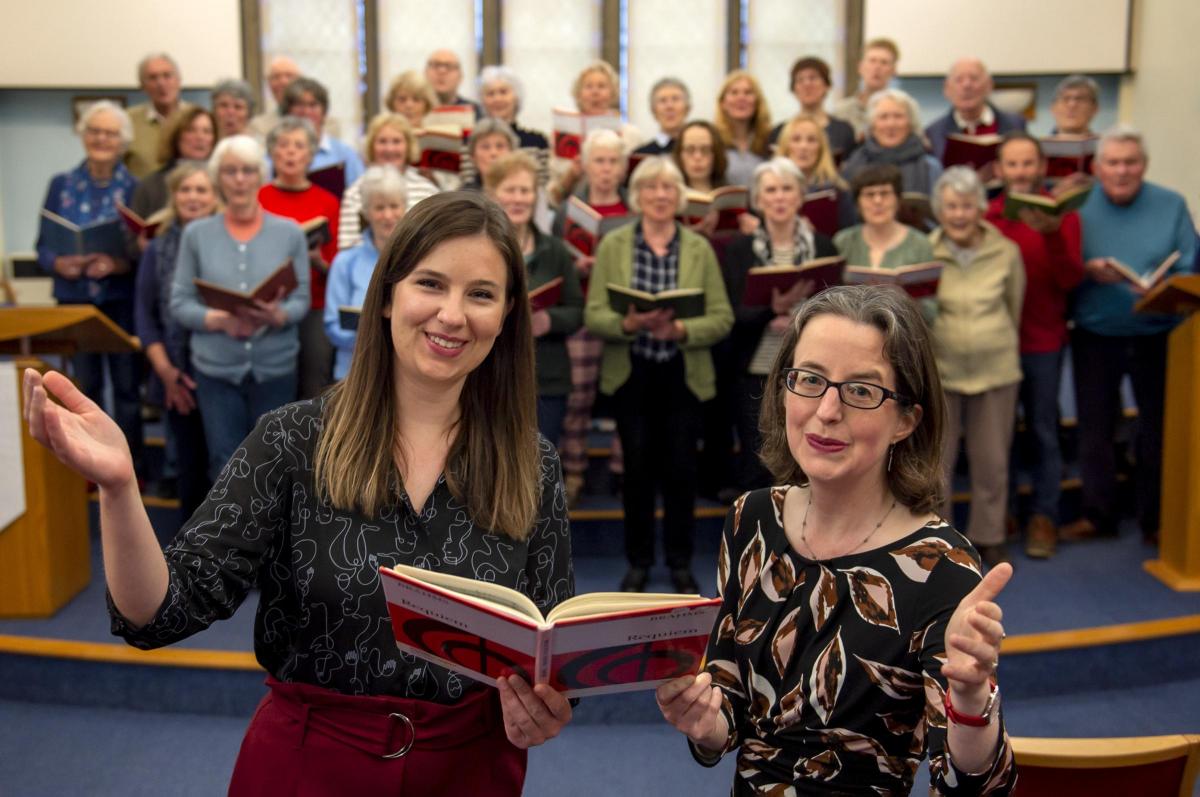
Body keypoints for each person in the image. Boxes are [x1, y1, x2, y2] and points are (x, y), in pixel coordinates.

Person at [23, 192, 573, 795]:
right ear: (388, 296)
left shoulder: (532, 464)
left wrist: (543, 709)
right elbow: (159, 612)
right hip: (309, 766)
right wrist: (120, 487)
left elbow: (545, 653)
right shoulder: (293, 439)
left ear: (508, 313)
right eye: (431, 284)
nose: (452, 314)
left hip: (470, 773)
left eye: (481, 294)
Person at [655, 285, 1017, 795]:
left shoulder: (941, 566)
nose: (826, 411)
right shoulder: (752, 517)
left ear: (906, 420)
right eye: (809, 380)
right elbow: (731, 707)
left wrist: (972, 700)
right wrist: (705, 719)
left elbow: (972, 787)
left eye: (862, 391)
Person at [585, 156, 734, 594]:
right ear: (638, 196)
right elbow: (595, 313)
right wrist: (627, 324)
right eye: (650, 188)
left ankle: (680, 562)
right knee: (636, 473)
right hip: (633, 373)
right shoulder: (613, 246)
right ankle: (639, 562)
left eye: (668, 188)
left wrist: (682, 329)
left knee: (682, 472)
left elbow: (722, 317)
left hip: (683, 375)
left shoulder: (699, 248)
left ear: (679, 195)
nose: (659, 195)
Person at [1064, 126, 1196, 545]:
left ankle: (1155, 519)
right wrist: (1086, 270)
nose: (1122, 171)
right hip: (1096, 333)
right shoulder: (1078, 206)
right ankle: (1098, 514)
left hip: (1159, 333)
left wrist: (1163, 285)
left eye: (1131, 162)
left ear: (1145, 166)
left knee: (1159, 429)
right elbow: (1063, 264)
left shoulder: (1172, 204)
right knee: (1095, 428)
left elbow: (1190, 267)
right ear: (1097, 167)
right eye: (1114, 163)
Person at [168, 135, 310, 480]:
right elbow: (180, 302)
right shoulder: (197, 235)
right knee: (224, 462)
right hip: (217, 370)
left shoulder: (289, 232)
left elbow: (302, 299)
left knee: (275, 463)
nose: (240, 179)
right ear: (219, 178)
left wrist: (279, 315)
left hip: (275, 367)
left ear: (261, 176)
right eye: (230, 171)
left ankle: (273, 535)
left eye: (248, 170)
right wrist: (218, 320)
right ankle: (231, 535)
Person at [987, 133, 1084, 558]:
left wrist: (1053, 235)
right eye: (1013, 164)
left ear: (1042, 167)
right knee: (999, 435)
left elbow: (1069, 281)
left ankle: (1044, 516)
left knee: (1044, 430)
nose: (1021, 172)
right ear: (999, 170)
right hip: (998, 343)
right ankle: (1001, 513)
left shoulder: (1064, 217)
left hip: (1044, 342)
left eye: (1029, 164)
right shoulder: (988, 217)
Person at [36, 100, 143, 478]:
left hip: (119, 301)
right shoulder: (60, 184)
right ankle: (84, 465)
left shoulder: (135, 188)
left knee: (128, 390)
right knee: (84, 386)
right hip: (74, 302)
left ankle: (130, 466)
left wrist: (118, 263)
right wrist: (58, 263)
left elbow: (143, 250)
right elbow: (42, 246)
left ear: (122, 141)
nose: (101, 139)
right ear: (83, 136)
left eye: (110, 133)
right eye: (94, 131)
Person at [722, 157, 838, 494]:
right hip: (755, 370)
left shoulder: (823, 247)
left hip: (810, 372)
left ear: (800, 196)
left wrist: (798, 317)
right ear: (758, 200)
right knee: (758, 463)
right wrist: (770, 310)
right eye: (770, 190)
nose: (779, 197)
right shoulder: (740, 249)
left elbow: (835, 311)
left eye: (787, 189)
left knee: (806, 465)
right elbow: (733, 314)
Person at [929, 166, 1025, 567]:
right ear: (940, 209)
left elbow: (1014, 306)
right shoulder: (927, 249)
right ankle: (940, 538)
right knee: (938, 461)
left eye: (967, 205)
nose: (959, 213)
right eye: (951, 205)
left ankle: (990, 535)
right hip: (942, 370)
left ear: (981, 208)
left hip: (995, 368)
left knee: (992, 460)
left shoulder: (1006, 251)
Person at [133, 163, 219, 520]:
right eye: (185, 190)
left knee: (225, 465)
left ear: (215, 197)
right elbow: (144, 316)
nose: (193, 197)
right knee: (189, 467)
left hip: (220, 371)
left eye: (201, 190)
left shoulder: (228, 242)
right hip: (175, 374)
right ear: (173, 196)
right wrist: (167, 373)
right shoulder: (158, 249)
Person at [552, 128, 631, 506]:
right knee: (578, 400)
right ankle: (575, 472)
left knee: (625, 394)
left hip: (621, 315)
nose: (605, 168)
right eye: (598, 160)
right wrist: (576, 266)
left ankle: (621, 471)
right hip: (582, 315)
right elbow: (555, 261)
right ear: (584, 165)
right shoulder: (568, 211)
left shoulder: (634, 211)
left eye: (613, 161)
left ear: (623, 166)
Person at [486, 152, 584, 446]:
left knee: (541, 469)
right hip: (491, 375)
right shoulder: (481, 248)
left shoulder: (554, 249)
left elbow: (577, 311)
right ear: (493, 194)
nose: (518, 198)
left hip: (547, 378)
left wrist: (548, 320)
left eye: (525, 190)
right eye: (510, 190)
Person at [258, 117, 342, 400]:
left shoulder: (328, 201)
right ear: (271, 152)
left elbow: (336, 267)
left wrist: (317, 260)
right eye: (283, 145)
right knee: (273, 390)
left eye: (299, 146)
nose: (291, 152)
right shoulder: (259, 198)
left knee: (314, 386)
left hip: (315, 304)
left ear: (310, 155)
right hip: (269, 302)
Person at [324, 165, 405, 381]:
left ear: (405, 208)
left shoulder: (418, 260)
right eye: (379, 208)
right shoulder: (345, 262)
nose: (388, 215)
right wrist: (374, 336)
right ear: (367, 213)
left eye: (394, 206)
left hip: (403, 377)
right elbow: (332, 326)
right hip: (353, 375)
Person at [337, 113, 439, 250]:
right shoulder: (355, 192)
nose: (389, 149)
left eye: (396, 141)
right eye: (382, 141)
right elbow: (347, 247)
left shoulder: (428, 190)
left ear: (408, 146)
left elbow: (437, 241)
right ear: (371, 146)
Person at [549, 61, 643, 206]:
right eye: (589, 87)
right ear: (578, 94)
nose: (595, 92)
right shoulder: (561, 136)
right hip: (573, 207)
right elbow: (553, 196)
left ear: (612, 93)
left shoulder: (631, 135)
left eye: (601, 86)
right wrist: (571, 175)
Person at [840, 88, 943, 213]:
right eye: (883, 117)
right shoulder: (853, 166)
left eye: (898, 116)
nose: (891, 124)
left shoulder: (930, 167)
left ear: (910, 123)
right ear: (872, 125)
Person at [924, 58, 1026, 162]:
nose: (966, 85)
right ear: (947, 89)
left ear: (989, 85)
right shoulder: (934, 133)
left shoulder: (1015, 125)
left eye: (974, 79)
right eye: (959, 80)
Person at [834, 164, 935, 269]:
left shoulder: (920, 244)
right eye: (869, 194)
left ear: (898, 199)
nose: (877, 201)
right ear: (858, 203)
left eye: (885, 193)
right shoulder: (843, 242)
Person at [129, 106, 217, 220]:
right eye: (191, 130)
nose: (200, 137)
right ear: (176, 136)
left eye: (207, 131)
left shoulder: (223, 182)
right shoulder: (151, 186)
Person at [774, 113, 856, 234]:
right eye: (796, 139)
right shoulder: (771, 190)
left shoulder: (839, 191)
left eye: (811, 140)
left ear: (821, 148)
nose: (803, 146)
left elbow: (849, 235)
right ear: (785, 146)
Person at [767, 56, 856, 163]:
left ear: (826, 86)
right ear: (794, 88)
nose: (807, 84)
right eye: (800, 80)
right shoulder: (780, 132)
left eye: (813, 78)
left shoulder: (843, 131)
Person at [278, 77, 365, 186]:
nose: (306, 112)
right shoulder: (275, 154)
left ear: (324, 112)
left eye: (313, 105)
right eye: (300, 105)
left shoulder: (345, 154)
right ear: (288, 112)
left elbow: (360, 193)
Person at [126, 53, 194, 178]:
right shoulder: (127, 121)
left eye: (167, 76)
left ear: (179, 80)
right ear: (142, 85)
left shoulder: (196, 118)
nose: (161, 83)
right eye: (152, 78)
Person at [833, 37, 900, 140]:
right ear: (860, 67)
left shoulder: (901, 112)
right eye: (872, 61)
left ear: (893, 71)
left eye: (884, 62)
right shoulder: (841, 112)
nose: (877, 67)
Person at [714, 70, 773, 187]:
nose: (741, 98)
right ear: (723, 103)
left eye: (748, 93)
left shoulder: (771, 140)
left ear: (757, 102)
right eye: (734, 93)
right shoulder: (713, 141)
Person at [634, 77, 691, 157]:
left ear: (687, 108)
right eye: (663, 100)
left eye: (675, 99)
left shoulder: (699, 153)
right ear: (653, 110)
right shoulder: (640, 155)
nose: (669, 106)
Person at [248, 56, 301, 141]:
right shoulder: (258, 126)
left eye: (289, 76)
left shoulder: (325, 125)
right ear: (268, 84)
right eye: (276, 77)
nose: (283, 82)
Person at [462, 118, 518, 191]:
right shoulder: (463, 197)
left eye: (500, 146)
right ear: (473, 156)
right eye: (485, 147)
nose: (493, 153)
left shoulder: (524, 192)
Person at [424, 49, 481, 116]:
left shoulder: (474, 111)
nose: (442, 71)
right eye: (436, 65)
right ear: (425, 72)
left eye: (449, 66)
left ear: (460, 76)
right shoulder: (413, 109)